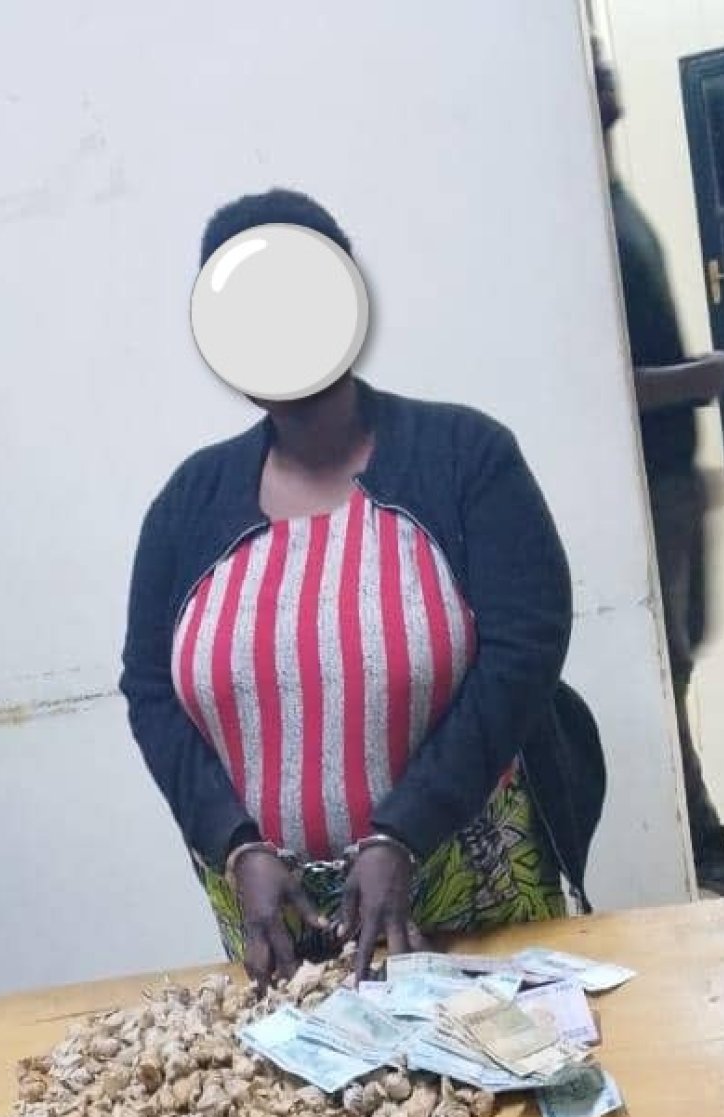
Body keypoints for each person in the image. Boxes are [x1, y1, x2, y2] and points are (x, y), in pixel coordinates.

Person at [121, 188, 605, 987]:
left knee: (492, 1065)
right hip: (277, 928)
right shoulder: (188, 503)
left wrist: (405, 831)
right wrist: (234, 845)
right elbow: (148, 688)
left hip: (472, 897)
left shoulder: (465, 456)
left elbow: (526, 648)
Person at [593, 42, 724, 898]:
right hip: (644, 478)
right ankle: (701, 842)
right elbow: (598, 378)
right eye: (593, 69)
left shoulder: (618, 203)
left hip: (675, 477)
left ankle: (705, 830)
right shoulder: (589, 221)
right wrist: (701, 377)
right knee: (668, 662)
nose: (608, 76)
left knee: (686, 649)